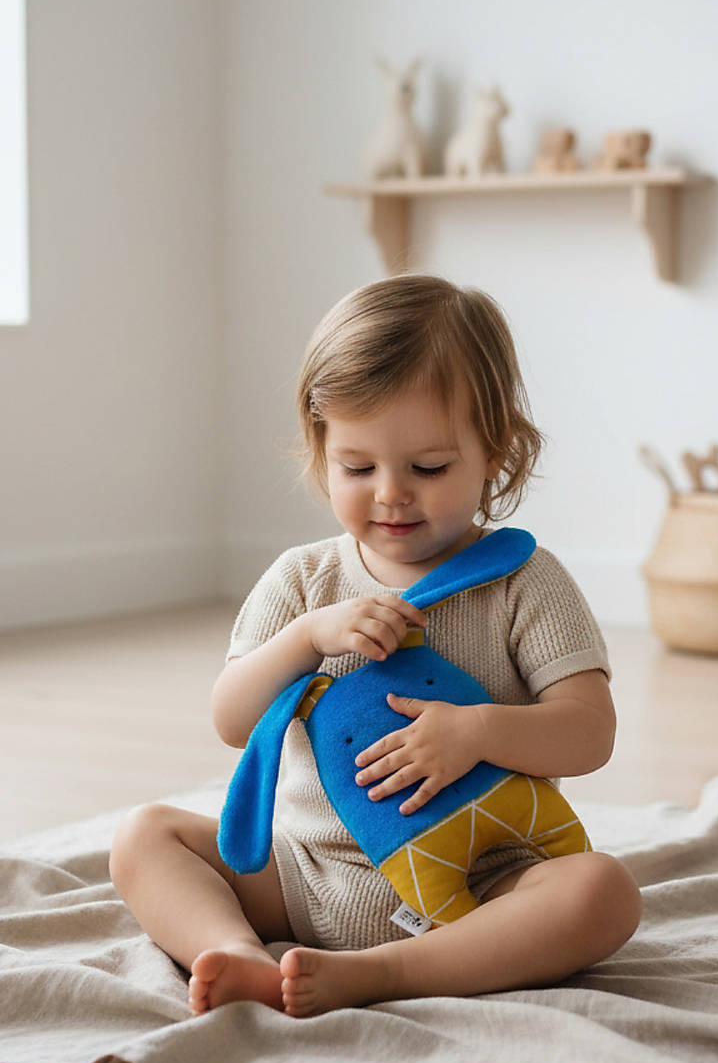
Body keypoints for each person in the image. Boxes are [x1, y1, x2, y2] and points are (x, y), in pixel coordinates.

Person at [109, 274, 641, 1018]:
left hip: (481, 886)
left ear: (496, 452)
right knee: (144, 836)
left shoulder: (525, 580)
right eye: (358, 467)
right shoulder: (303, 580)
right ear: (321, 450)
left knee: (602, 891)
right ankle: (233, 950)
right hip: (307, 874)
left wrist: (478, 732)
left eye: (428, 468)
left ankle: (387, 973)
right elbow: (232, 720)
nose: (391, 493)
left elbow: (589, 732)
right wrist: (305, 639)